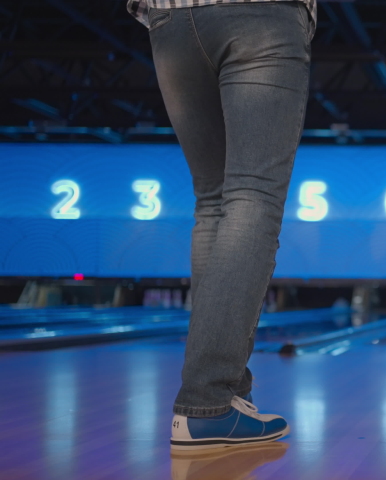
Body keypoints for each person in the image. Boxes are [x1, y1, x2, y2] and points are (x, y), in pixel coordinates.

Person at [126, 0, 316, 450]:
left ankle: (227, 394)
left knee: (213, 202)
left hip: (170, 22)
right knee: (253, 196)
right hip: (260, 17)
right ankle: (206, 400)